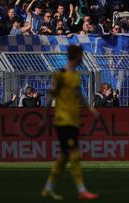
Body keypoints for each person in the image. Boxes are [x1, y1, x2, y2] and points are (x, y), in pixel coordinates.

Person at [41, 45, 99, 200]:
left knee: (65, 155)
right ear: (76, 56)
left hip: (73, 120)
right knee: (74, 153)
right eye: (81, 56)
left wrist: (91, 110)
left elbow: (79, 96)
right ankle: (81, 190)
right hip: (62, 119)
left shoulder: (76, 76)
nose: (82, 59)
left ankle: (48, 188)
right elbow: (49, 97)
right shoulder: (60, 75)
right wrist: (45, 117)